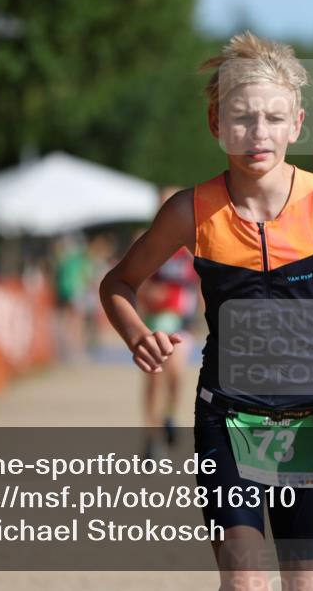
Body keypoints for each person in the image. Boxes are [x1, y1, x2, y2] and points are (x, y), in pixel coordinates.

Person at [100, 31, 313, 590]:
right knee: (246, 580)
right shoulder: (190, 210)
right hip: (225, 415)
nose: (258, 133)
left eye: (273, 118)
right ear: (216, 124)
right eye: (241, 118)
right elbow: (118, 282)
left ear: (297, 124)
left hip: (304, 423)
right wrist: (136, 331)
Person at [140, 186, 200, 460]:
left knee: (176, 374)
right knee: (154, 379)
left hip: (182, 322)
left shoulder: (194, 244)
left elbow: (202, 283)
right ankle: (151, 438)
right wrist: (148, 293)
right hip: (155, 320)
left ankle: (169, 416)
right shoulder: (148, 242)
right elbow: (131, 282)